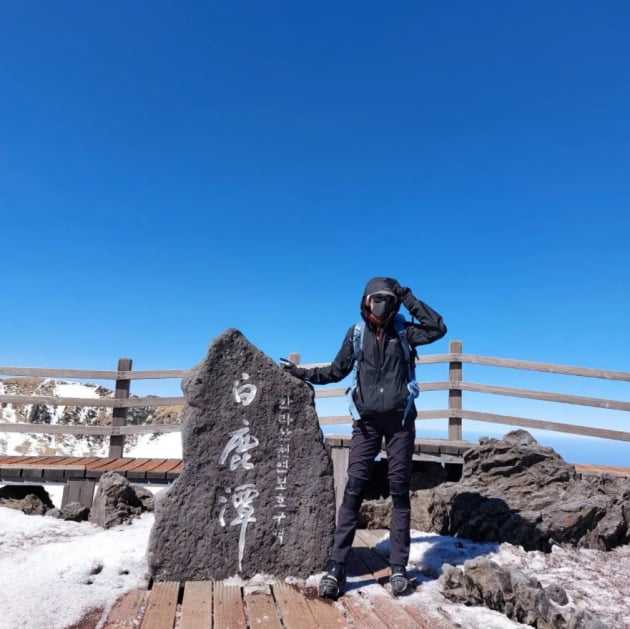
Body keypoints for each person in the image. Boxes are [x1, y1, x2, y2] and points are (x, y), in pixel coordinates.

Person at [282, 277, 447, 598]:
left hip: (400, 422)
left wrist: (409, 296)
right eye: (375, 299)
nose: (380, 304)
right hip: (366, 424)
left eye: (387, 298)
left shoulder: (404, 331)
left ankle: (398, 568)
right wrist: (303, 374)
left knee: (399, 492)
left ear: (394, 301)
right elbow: (336, 370)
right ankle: (336, 567)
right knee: (354, 489)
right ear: (365, 302)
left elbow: (437, 328)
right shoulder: (356, 334)